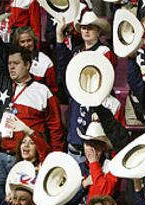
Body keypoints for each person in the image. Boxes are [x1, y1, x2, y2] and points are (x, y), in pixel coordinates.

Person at [0, 44, 65, 200]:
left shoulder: (42, 92)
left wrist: (53, 161)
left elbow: (56, 130)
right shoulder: (1, 82)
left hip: (25, 159)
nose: (11, 67)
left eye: (16, 63)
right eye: (9, 64)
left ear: (27, 65)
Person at [55, 11, 122, 163]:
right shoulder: (77, 51)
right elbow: (64, 71)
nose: (86, 31)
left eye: (90, 28)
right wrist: (59, 38)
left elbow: (105, 81)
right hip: (77, 111)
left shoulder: (105, 52)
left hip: (96, 108)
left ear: (98, 31)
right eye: (84, 28)